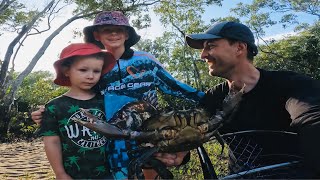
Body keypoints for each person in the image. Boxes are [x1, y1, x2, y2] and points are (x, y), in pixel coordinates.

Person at [33, 11, 203, 179]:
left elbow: (173, 86)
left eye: (119, 29)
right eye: (107, 29)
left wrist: (209, 98)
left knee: (152, 173)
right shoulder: (96, 67)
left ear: (127, 34)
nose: (114, 33)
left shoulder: (146, 59)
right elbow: (80, 97)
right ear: (97, 35)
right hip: (114, 140)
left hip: (152, 135)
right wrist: (47, 112)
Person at [185, 21, 320, 177]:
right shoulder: (212, 99)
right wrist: (177, 153)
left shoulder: (290, 84)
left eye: (210, 46)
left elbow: (312, 119)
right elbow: (188, 135)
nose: (203, 55)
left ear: (240, 48)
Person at [37, 43, 116, 179]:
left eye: (96, 71)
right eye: (83, 70)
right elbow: (51, 142)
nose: (90, 76)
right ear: (66, 71)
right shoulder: (54, 106)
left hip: (110, 174)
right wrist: (60, 173)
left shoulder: (106, 101)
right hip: (73, 175)